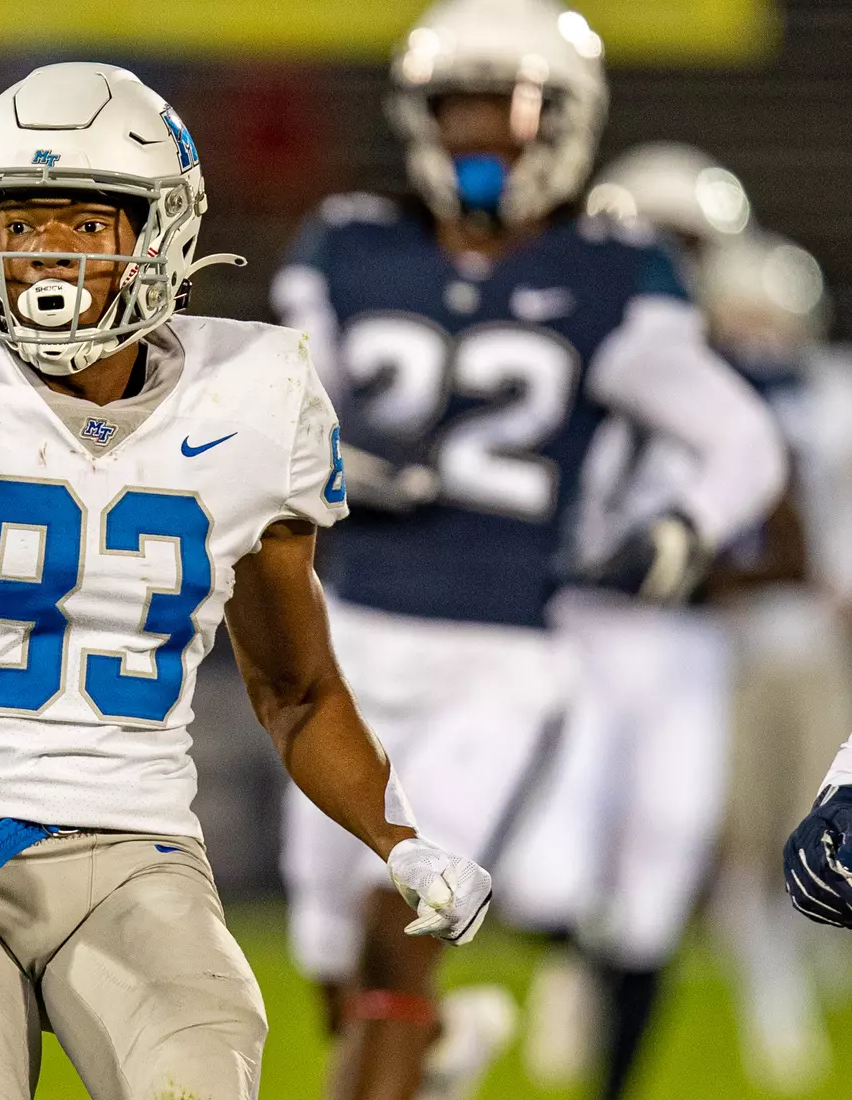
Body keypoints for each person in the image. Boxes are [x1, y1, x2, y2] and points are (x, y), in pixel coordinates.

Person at [0, 61, 489, 1100]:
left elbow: (299, 690)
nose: (44, 252)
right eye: (18, 222)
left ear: (164, 235)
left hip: (141, 855)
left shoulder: (253, 400)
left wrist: (399, 839)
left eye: (87, 225)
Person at [268, 3, 787, 1098]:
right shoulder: (351, 243)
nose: (480, 140)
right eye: (456, 111)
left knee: (393, 924)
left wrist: (680, 532)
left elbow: (739, 438)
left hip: (503, 651)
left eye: (505, 112)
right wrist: (324, 458)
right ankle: (442, 1057)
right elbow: (273, 402)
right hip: (343, 635)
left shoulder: (615, 270)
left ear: (566, 120)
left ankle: (417, 1044)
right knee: (327, 956)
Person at [497, 144, 768, 1100]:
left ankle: (616, 1081)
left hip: (687, 641)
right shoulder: (564, 348)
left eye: (687, 246)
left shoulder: (741, 372)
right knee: (544, 869)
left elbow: (771, 523)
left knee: (664, 859)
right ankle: (576, 958)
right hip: (581, 623)